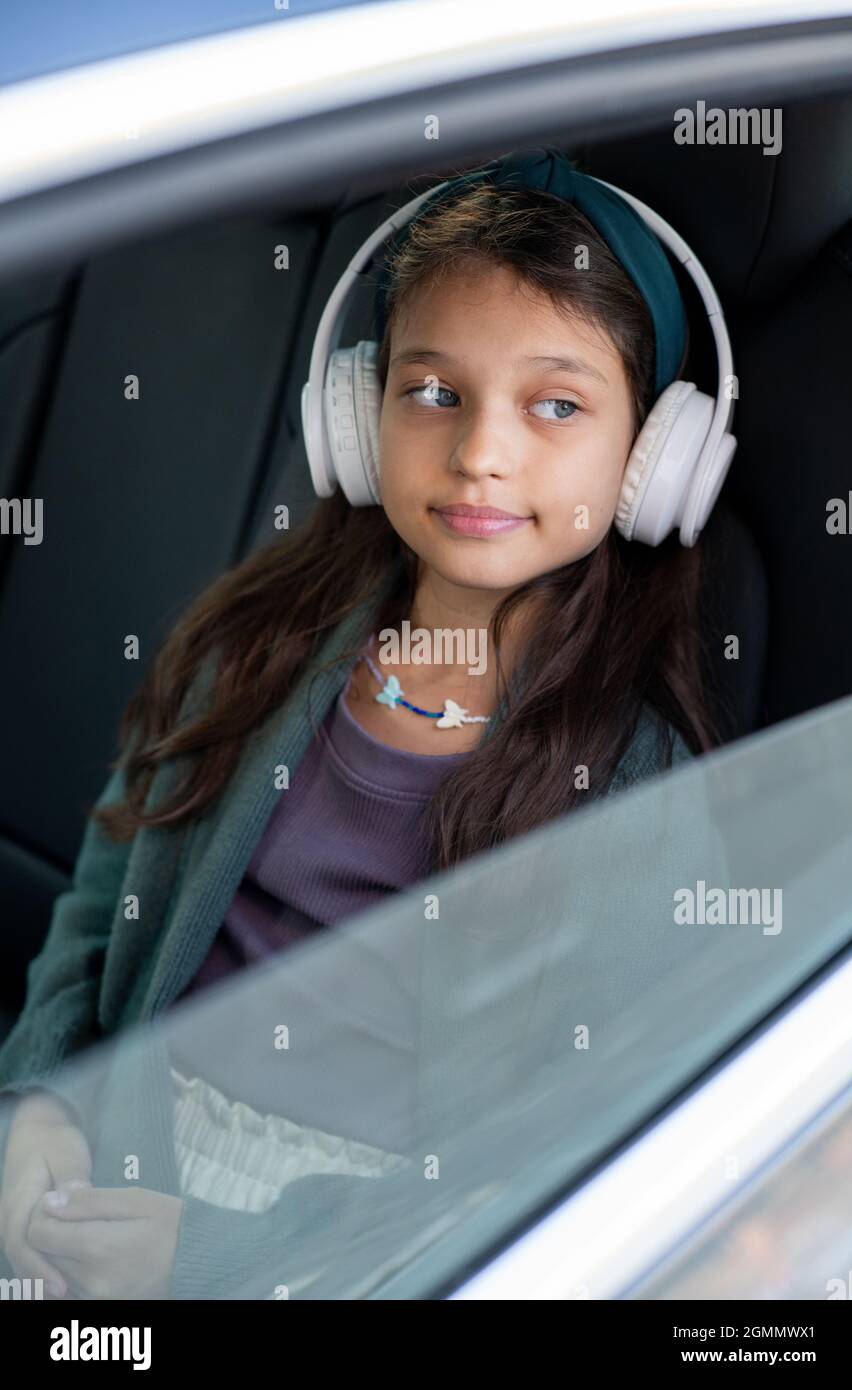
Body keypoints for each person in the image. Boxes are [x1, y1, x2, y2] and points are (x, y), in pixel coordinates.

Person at [0, 146, 732, 1299]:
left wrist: (206, 1258)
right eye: (432, 391)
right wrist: (40, 1102)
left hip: (367, 1260)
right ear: (356, 412)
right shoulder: (262, 638)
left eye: (555, 404)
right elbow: (108, 889)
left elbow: (567, 1151)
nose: (480, 452)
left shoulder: (637, 793)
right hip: (104, 1167)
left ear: (653, 459)